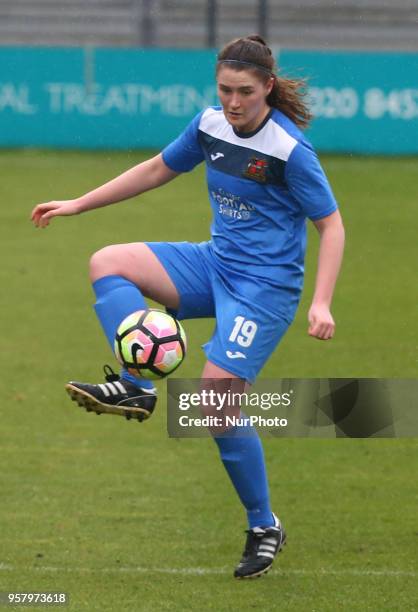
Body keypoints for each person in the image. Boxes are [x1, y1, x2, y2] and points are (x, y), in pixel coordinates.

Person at [31, 35, 345, 579]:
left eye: (244, 92)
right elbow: (157, 169)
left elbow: (331, 225)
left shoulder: (289, 150)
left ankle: (263, 524)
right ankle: (139, 385)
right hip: (214, 264)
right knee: (108, 262)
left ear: (268, 87)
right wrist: (79, 203)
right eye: (224, 89)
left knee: (214, 401)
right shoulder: (209, 126)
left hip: (264, 290)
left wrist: (322, 303)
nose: (233, 102)